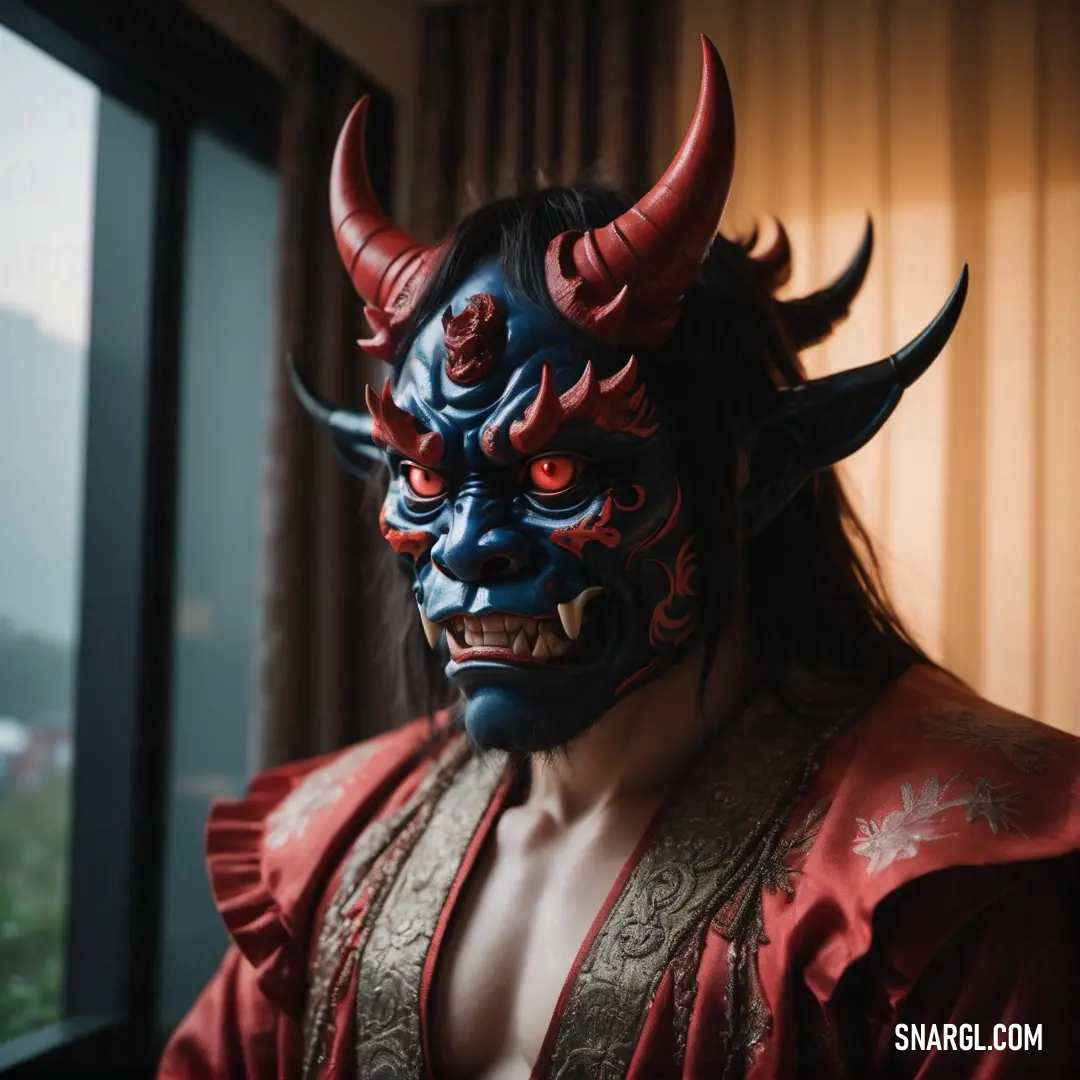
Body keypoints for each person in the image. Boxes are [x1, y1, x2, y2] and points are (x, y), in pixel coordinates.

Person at [158, 36, 1080, 1080]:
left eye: (555, 476)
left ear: (750, 472)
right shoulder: (330, 851)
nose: (464, 545)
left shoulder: (944, 896)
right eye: (423, 480)